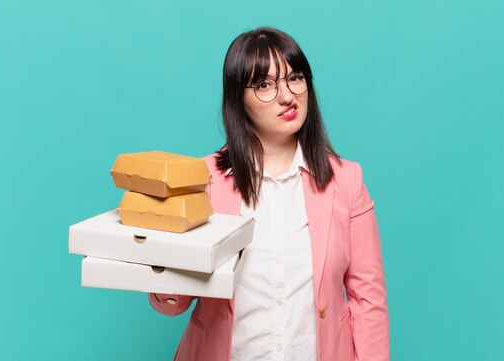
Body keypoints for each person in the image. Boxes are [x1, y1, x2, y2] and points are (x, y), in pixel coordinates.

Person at [149, 27, 389, 361]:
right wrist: (162, 254)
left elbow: (369, 298)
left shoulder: (346, 181)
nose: (287, 95)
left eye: (295, 78)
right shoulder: (202, 180)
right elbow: (171, 304)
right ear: (238, 99)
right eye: (264, 84)